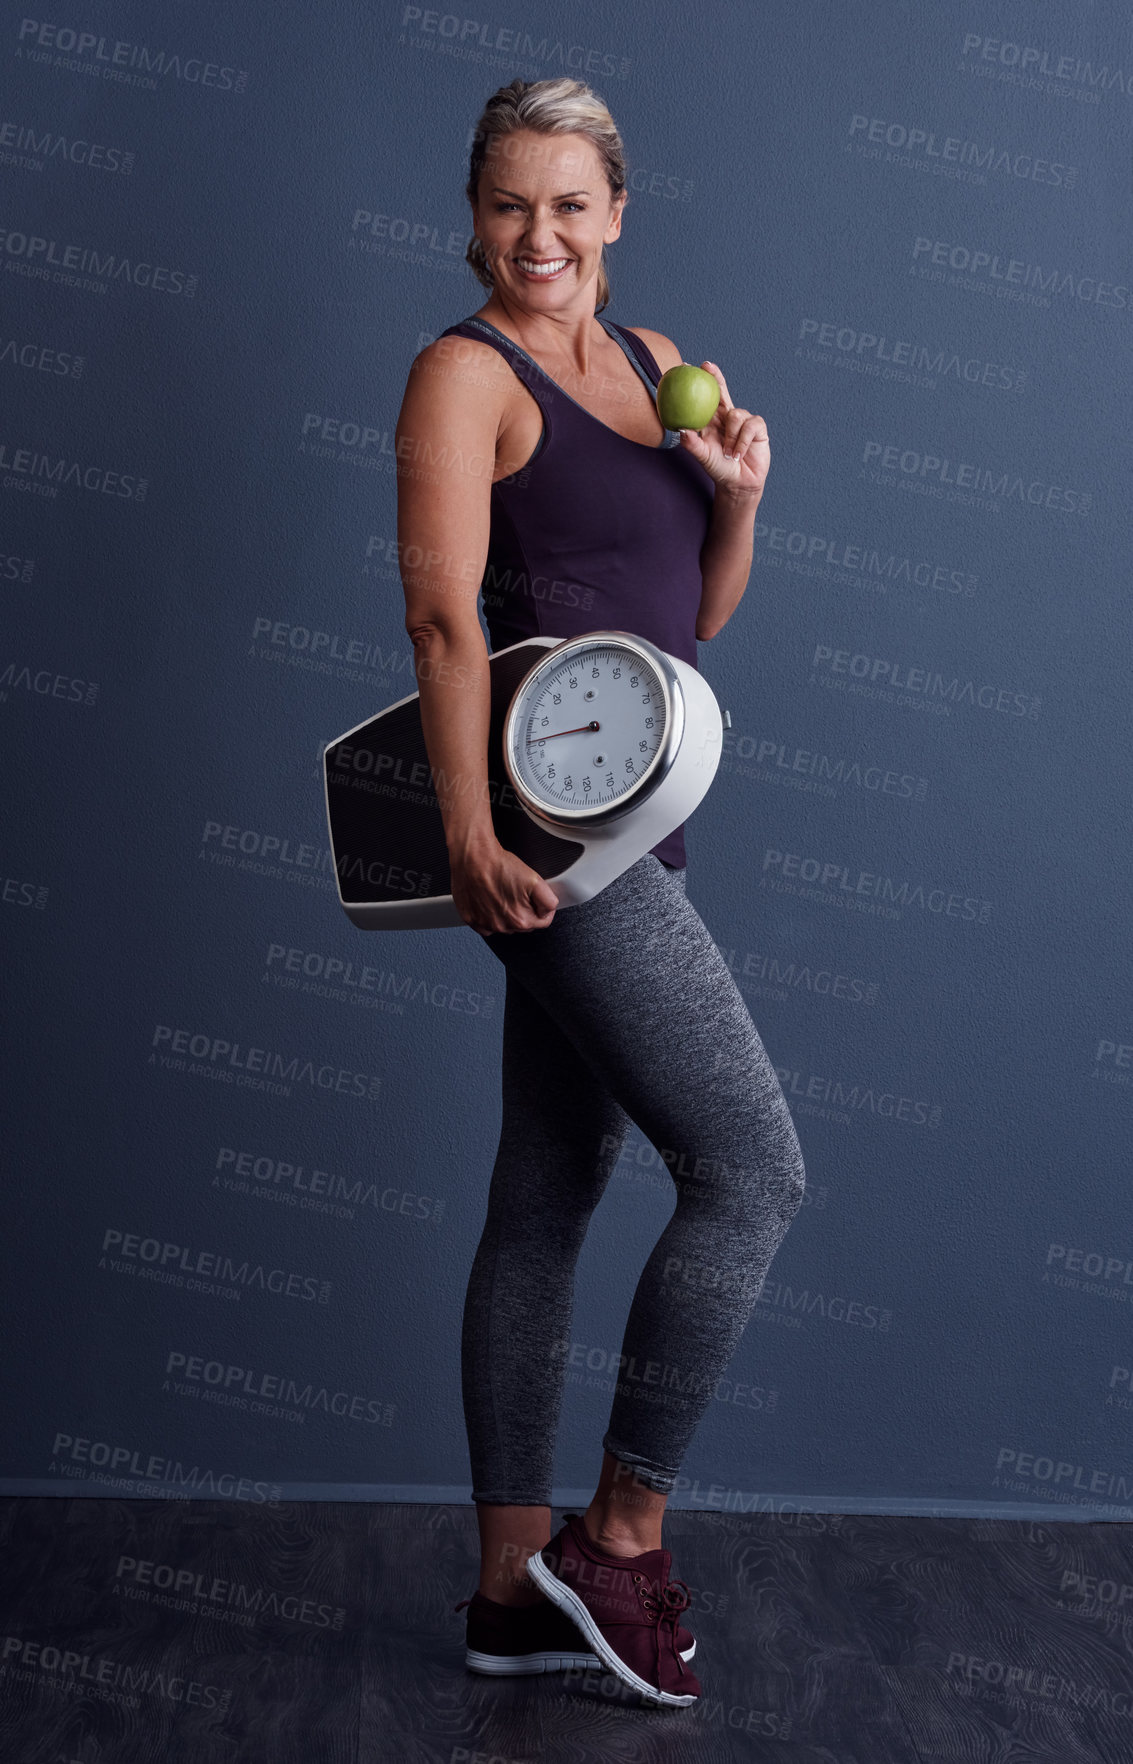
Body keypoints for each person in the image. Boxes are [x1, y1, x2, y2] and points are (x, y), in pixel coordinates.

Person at [395, 76, 806, 1709]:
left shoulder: (654, 368)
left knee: (548, 1192)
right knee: (754, 1169)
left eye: (569, 205)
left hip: (646, 802)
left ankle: (506, 1595)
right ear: (473, 213)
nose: (538, 236)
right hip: (548, 835)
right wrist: (459, 837)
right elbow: (438, 624)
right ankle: (614, 1539)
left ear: (616, 213)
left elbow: (696, 622)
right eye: (509, 204)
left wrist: (740, 497)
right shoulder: (460, 375)